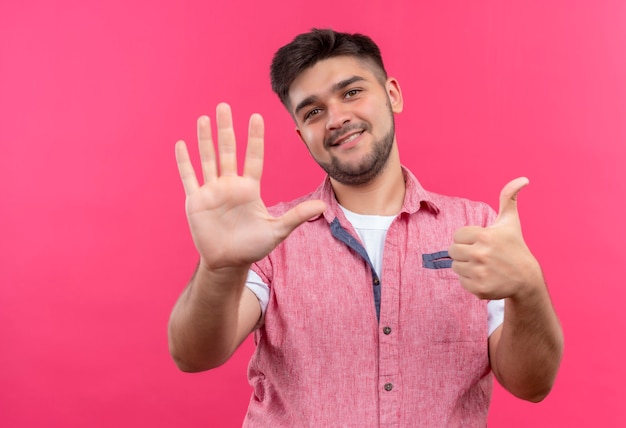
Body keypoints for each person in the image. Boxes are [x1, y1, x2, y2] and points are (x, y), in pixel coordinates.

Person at [168, 28, 564, 426]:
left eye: (352, 92)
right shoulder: (268, 239)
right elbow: (195, 354)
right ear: (302, 135)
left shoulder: (478, 228)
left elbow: (532, 385)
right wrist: (219, 268)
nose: (337, 118)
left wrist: (528, 288)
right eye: (313, 112)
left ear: (392, 94)